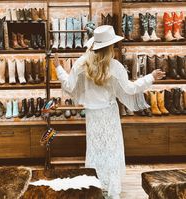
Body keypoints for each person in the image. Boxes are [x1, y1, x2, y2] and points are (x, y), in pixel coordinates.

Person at [54, 25, 165, 199]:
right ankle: (112, 190)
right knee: (111, 151)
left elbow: (68, 86)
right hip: (109, 114)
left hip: (92, 115)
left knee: (95, 150)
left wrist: (59, 69)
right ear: (109, 47)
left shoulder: (81, 64)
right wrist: (150, 77)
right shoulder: (115, 67)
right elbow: (130, 89)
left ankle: (97, 186)